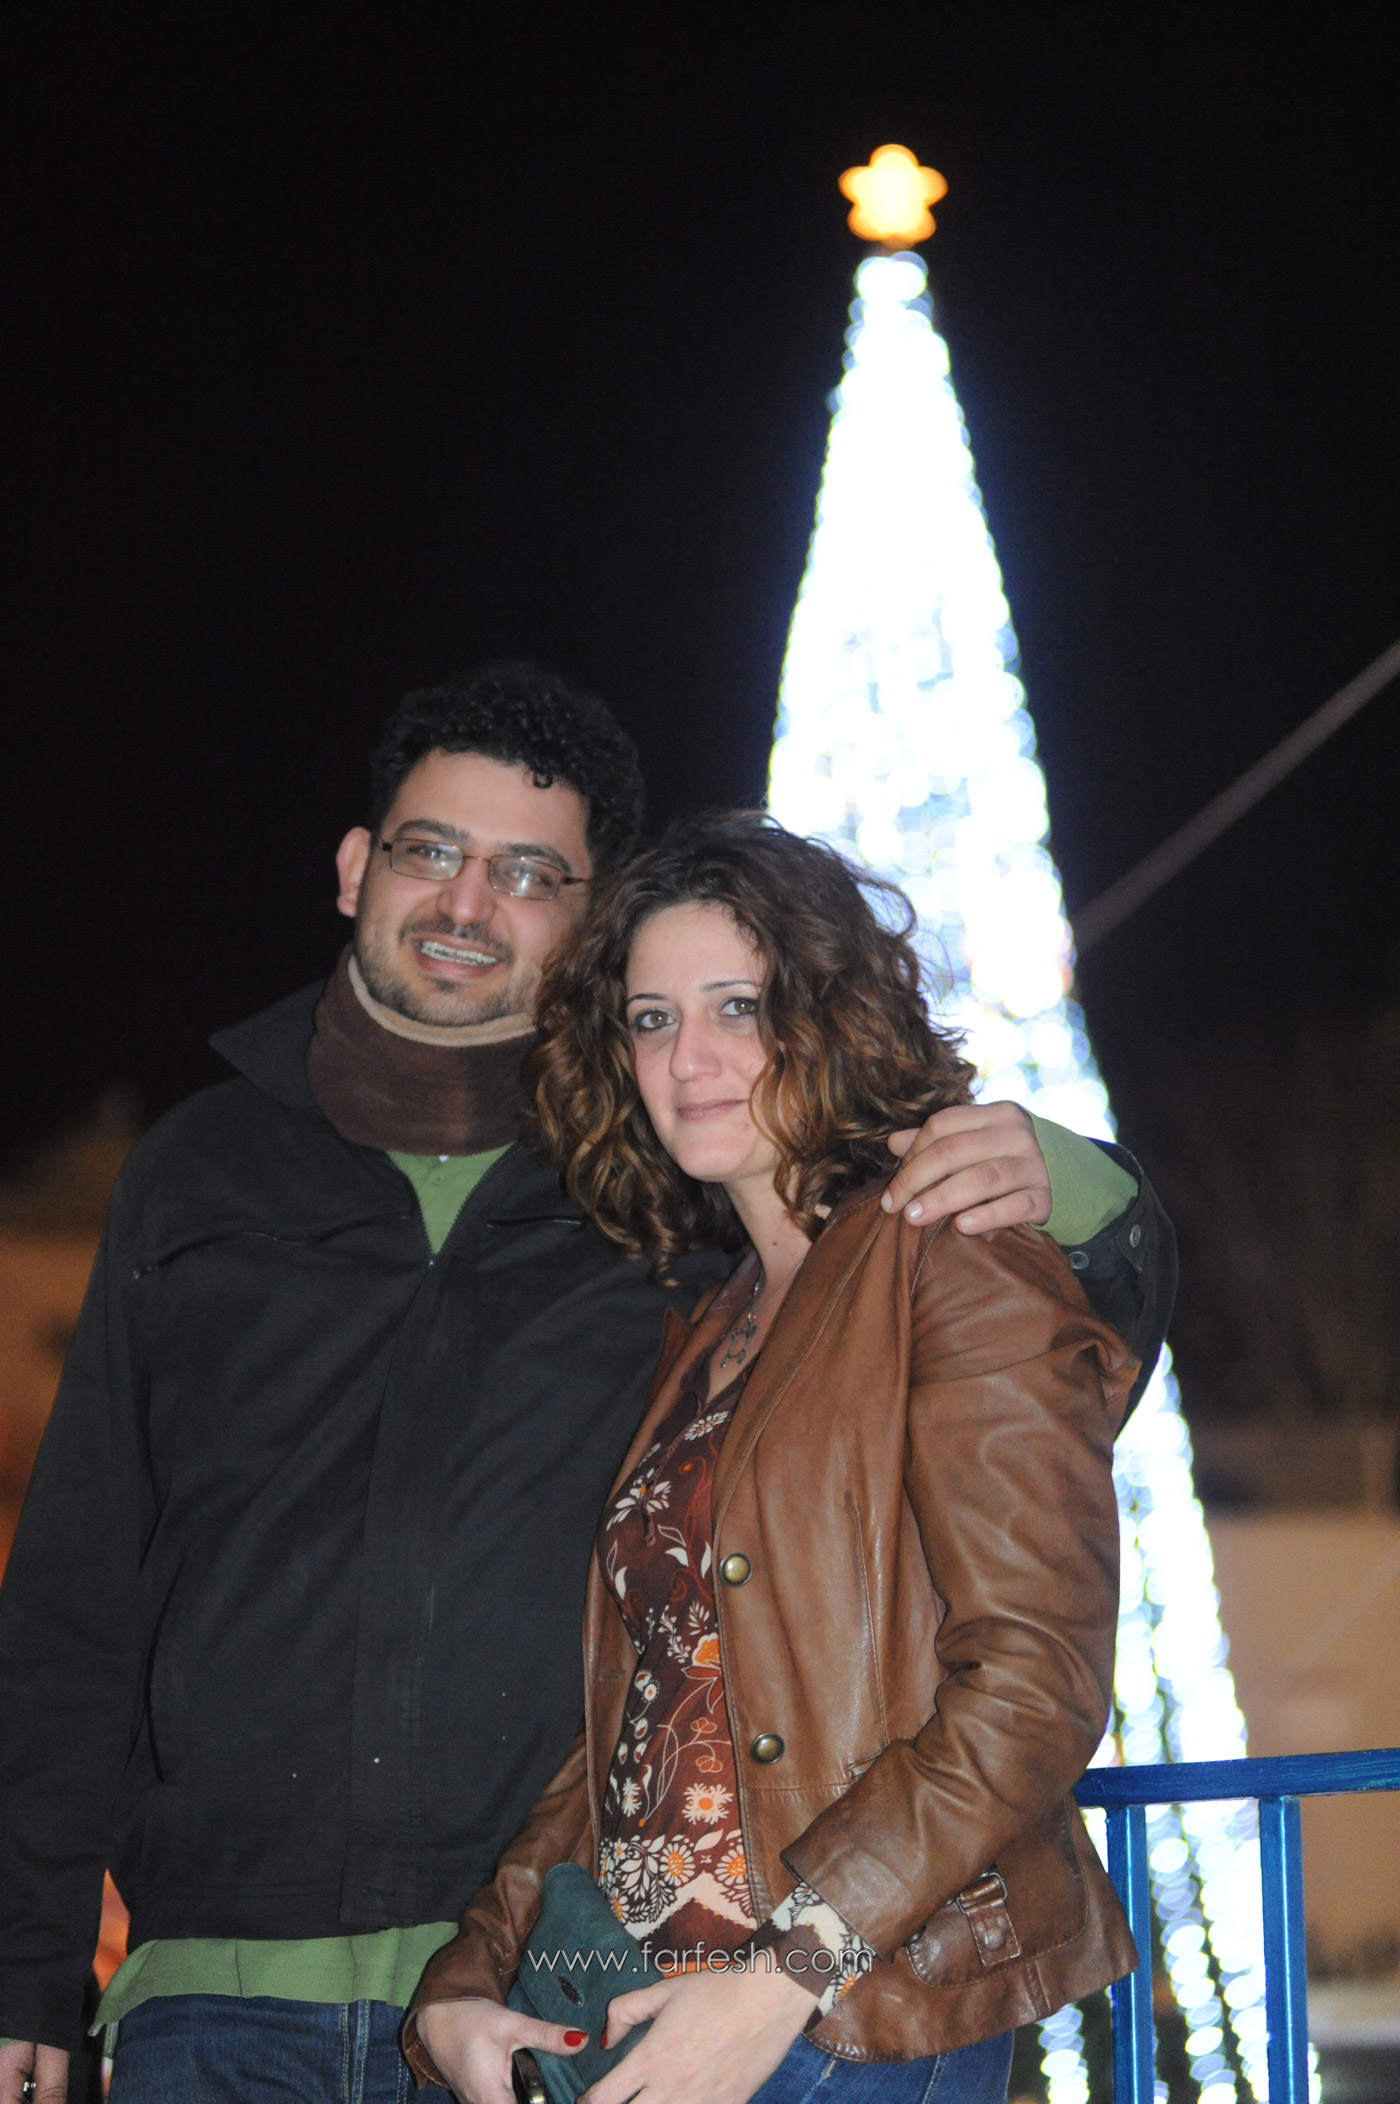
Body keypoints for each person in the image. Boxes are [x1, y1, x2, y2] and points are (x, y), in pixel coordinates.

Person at [0, 667, 1172, 2104]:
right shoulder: (210, 1177)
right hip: (314, 1995)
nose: (467, 902)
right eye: (431, 849)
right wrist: (33, 1959)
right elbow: (77, 1594)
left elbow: (1040, 1533)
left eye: (527, 873)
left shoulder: (684, 1224)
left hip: (724, 2008)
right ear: (357, 866)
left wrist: (1071, 1177)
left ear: (581, 922)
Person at [405, 812, 1140, 2104]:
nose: (686, 1059)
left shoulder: (954, 1257)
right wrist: (468, 1979)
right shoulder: (713, 1323)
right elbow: (639, 1711)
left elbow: (1039, 1681)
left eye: (736, 1008)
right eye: (651, 1019)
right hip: (659, 2008)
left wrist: (787, 1972)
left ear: (830, 1016)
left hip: (851, 2014)